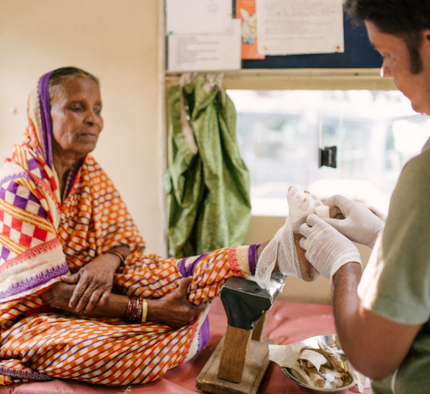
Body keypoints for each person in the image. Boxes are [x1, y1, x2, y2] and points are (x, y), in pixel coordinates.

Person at [0, 67, 315, 386]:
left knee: (168, 273)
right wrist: (153, 311)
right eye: (77, 107)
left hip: (92, 287)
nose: (94, 119)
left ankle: (269, 253)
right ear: (42, 114)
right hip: (33, 316)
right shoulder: (20, 184)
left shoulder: (88, 171)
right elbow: (56, 294)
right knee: (119, 351)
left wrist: (107, 261)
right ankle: (174, 320)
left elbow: (124, 241)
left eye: (97, 109)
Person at [299, 0, 430, 393]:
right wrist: (384, 234)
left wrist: (343, 266)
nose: (384, 71)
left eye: (388, 54)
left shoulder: (424, 176)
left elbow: (372, 355)